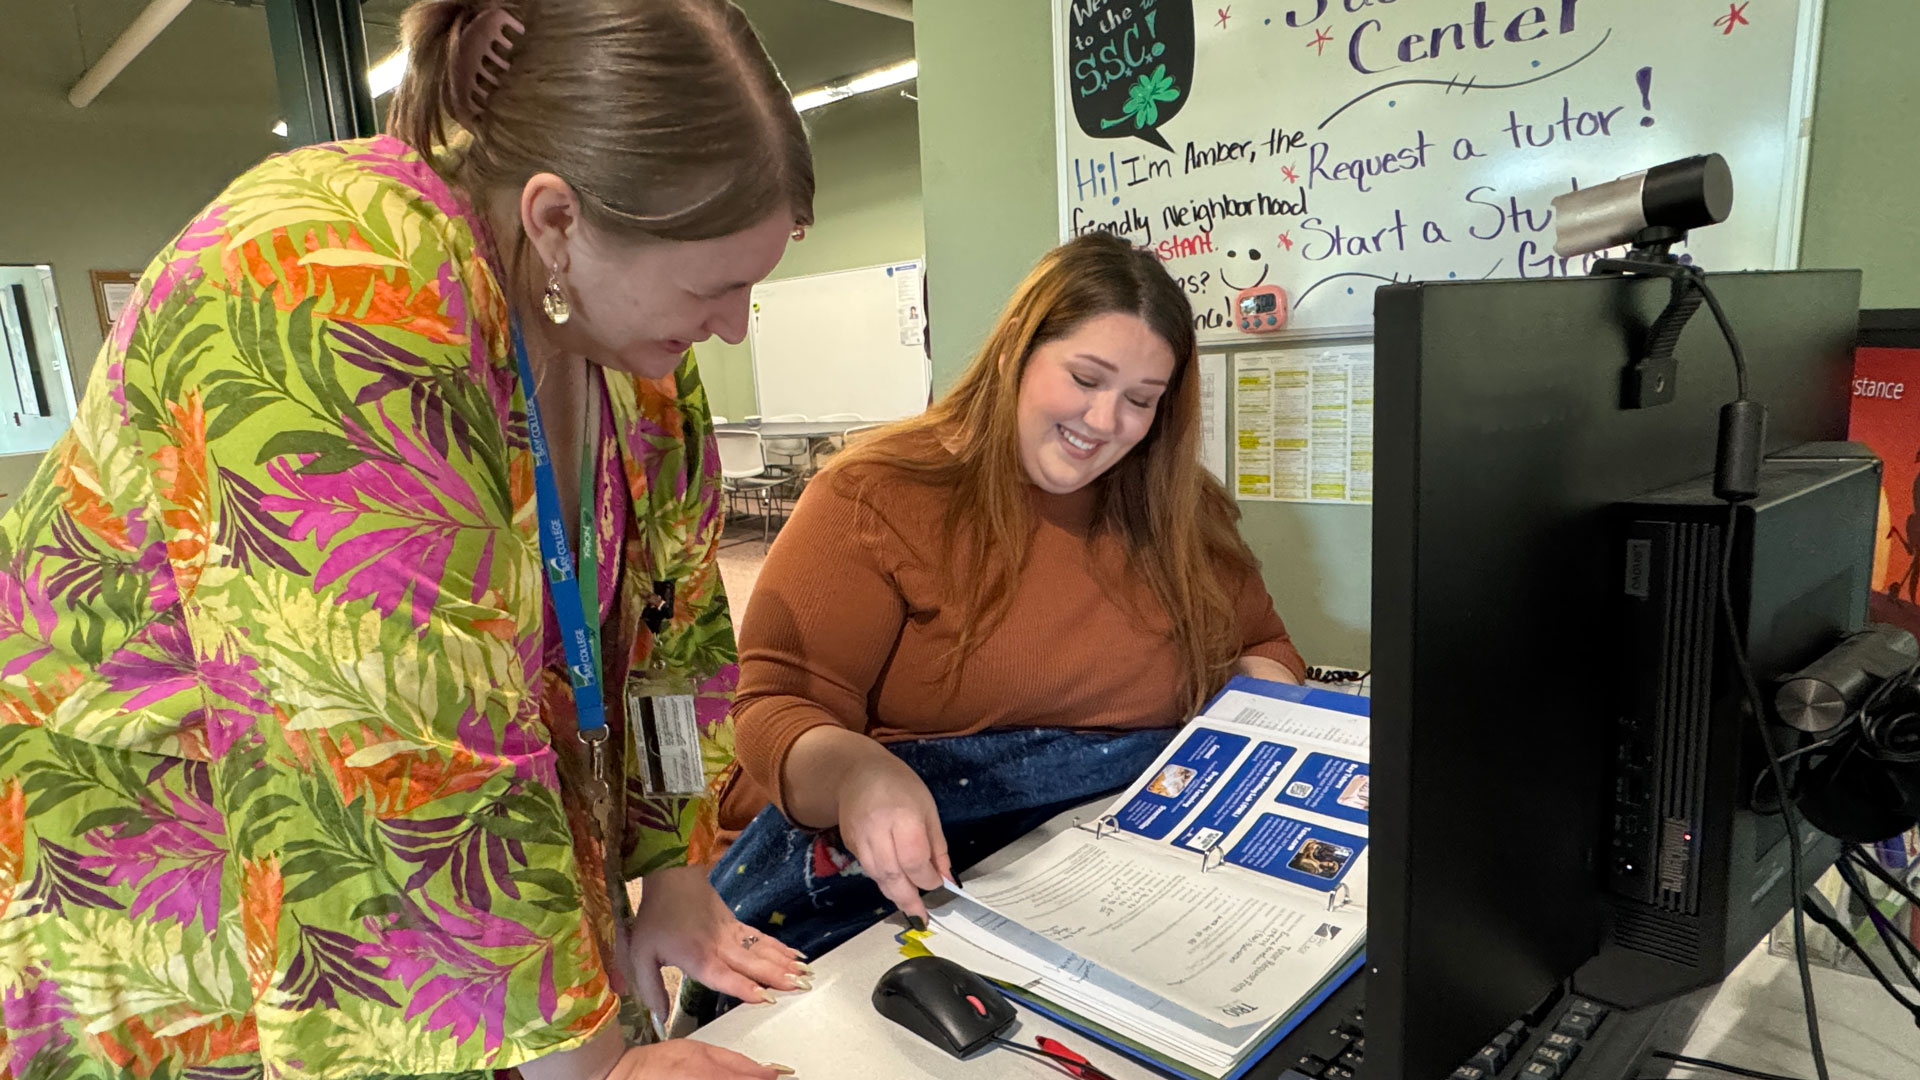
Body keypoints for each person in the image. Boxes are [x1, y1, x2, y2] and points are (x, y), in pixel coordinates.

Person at [0, 2, 815, 1077]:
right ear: (558, 219)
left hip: (469, 891)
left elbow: (674, 627)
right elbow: (391, 755)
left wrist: (673, 869)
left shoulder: (632, 356)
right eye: (717, 286)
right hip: (181, 888)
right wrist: (601, 1065)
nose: (734, 325)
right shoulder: (326, 282)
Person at [698, 233, 1307, 992]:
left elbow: (1264, 644)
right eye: (1085, 377)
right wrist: (858, 776)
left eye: (1142, 401)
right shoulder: (875, 495)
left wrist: (1258, 714)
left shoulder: (1187, 512)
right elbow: (775, 707)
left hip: (1124, 885)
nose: (1106, 420)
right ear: (1017, 351)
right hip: (915, 892)